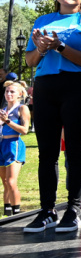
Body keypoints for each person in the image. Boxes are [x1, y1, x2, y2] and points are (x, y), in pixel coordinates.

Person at [23, 0, 81, 233]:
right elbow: (31, 61)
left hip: (77, 86)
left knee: (75, 150)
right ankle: (47, 210)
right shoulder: (43, 20)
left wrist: (58, 46)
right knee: (46, 152)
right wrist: (42, 48)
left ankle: (73, 208)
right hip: (46, 86)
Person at [0, 81, 30, 217]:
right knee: (5, 182)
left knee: (11, 182)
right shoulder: (3, 109)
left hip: (14, 145)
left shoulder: (22, 108)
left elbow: (24, 130)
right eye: (7, 91)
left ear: (20, 94)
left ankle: (17, 213)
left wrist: (7, 121)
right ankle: (7, 212)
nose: (9, 94)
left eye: (12, 91)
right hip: (2, 144)